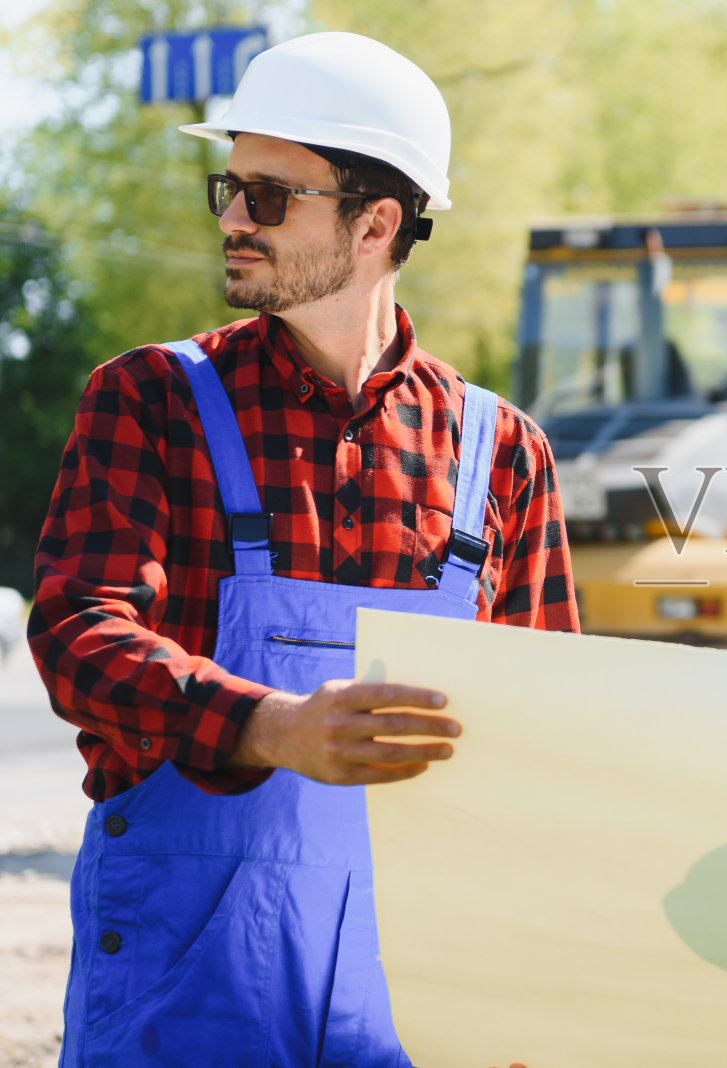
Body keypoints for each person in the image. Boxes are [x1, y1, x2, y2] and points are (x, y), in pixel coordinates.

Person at [29, 32, 578, 1065]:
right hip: (184, 976)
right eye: (230, 187)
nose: (234, 218)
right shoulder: (148, 401)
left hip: (419, 987)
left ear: (376, 223)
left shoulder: (503, 455)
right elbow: (76, 633)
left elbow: (544, 746)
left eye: (271, 196)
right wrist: (270, 726)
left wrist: (533, 981)